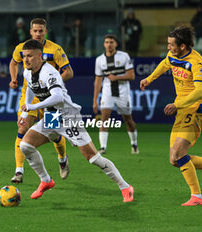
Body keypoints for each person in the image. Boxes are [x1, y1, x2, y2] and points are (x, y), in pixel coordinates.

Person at [18, 39, 134, 202]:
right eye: (24, 57)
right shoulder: (27, 72)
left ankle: (125, 187)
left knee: (93, 158)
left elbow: (57, 97)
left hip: (68, 117)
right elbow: (31, 87)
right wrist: (24, 114)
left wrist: (32, 107)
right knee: (26, 145)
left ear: (40, 56)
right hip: (53, 116)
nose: (26, 60)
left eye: (30, 56)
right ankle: (46, 180)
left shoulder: (49, 72)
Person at [140, 26, 202, 206]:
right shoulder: (173, 56)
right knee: (175, 159)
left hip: (197, 108)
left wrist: (177, 104)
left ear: (182, 46)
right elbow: (164, 64)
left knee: (179, 152)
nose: (168, 48)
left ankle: (197, 196)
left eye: (171, 45)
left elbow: (200, 91)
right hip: (182, 110)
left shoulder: (196, 62)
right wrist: (149, 79)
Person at [9, 18, 74, 183]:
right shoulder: (22, 48)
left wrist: (52, 82)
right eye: (35, 31)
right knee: (22, 127)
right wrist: (13, 78)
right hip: (29, 95)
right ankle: (19, 171)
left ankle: (62, 159)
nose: (38, 33)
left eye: (41, 31)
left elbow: (69, 72)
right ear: (30, 31)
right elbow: (13, 62)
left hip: (50, 98)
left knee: (53, 133)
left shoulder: (55, 49)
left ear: (46, 31)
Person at [93, 34, 138, 155]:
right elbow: (98, 80)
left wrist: (116, 77)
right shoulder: (99, 60)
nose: (109, 45)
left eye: (111, 42)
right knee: (104, 119)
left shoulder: (123, 56)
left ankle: (134, 143)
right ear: (104, 44)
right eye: (107, 42)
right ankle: (103, 147)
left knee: (128, 120)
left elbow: (132, 75)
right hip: (107, 91)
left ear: (116, 44)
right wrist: (95, 100)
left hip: (123, 92)